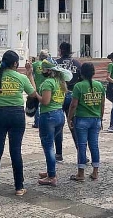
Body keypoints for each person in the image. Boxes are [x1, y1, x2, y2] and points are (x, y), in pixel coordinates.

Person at [0, 50, 38, 196]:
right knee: (15, 151)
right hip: (16, 115)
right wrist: (30, 74)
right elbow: (33, 93)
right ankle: (19, 187)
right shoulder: (21, 77)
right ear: (15, 63)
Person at [37, 57, 71, 186]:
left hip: (48, 115)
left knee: (48, 146)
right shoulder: (60, 82)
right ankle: (50, 170)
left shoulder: (48, 83)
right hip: (59, 115)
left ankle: (51, 176)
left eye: (44, 69)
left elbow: (45, 101)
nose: (42, 70)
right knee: (51, 145)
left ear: (48, 70)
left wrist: (36, 95)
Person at [68, 62, 105, 181]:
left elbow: (73, 105)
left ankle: (81, 173)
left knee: (82, 146)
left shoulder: (78, 86)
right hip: (96, 119)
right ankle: (95, 171)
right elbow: (102, 104)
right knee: (94, 145)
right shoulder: (99, 85)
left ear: (81, 73)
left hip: (82, 119)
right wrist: (101, 118)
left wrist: (69, 118)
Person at [55, 42, 82, 159]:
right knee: (74, 125)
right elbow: (81, 80)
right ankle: (81, 153)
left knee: (58, 126)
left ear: (60, 50)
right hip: (73, 95)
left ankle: (59, 153)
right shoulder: (77, 63)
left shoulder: (56, 64)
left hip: (60, 96)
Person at [32, 50, 49, 128]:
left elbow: (31, 75)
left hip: (37, 86)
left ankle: (37, 122)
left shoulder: (35, 64)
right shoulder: (48, 65)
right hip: (47, 87)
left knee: (37, 105)